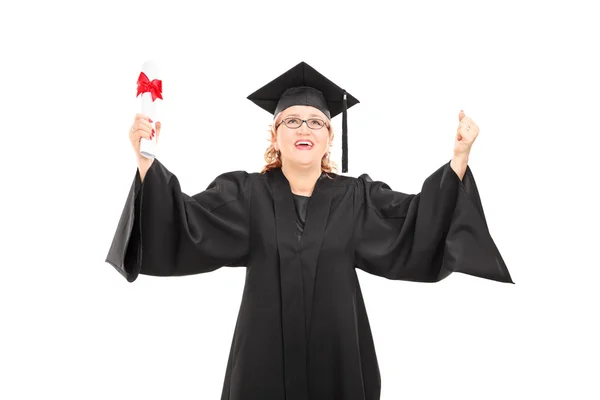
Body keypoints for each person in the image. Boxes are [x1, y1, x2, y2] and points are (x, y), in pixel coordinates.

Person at [105, 61, 513, 400]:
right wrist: (147, 162)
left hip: (339, 364)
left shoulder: (357, 198)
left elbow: (417, 223)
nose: (305, 129)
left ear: (330, 137)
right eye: (294, 121)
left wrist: (458, 159)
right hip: (261, 368)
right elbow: (186, 222)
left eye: (316, 122)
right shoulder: (245, 194)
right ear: (276, 134)